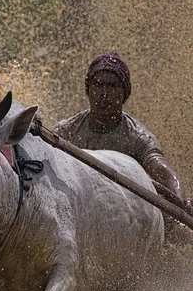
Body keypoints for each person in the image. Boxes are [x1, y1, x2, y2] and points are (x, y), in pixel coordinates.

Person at [55, 52, 192, 240]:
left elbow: (161, 169)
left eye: (112, 86)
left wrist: (181, 202)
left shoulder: (137, 137)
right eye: (98, 85)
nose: (104, 93)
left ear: (124, 94)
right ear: (88, 90)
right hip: (79, 205)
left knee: (183, 235)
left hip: (131, 210)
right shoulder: (66, 132)